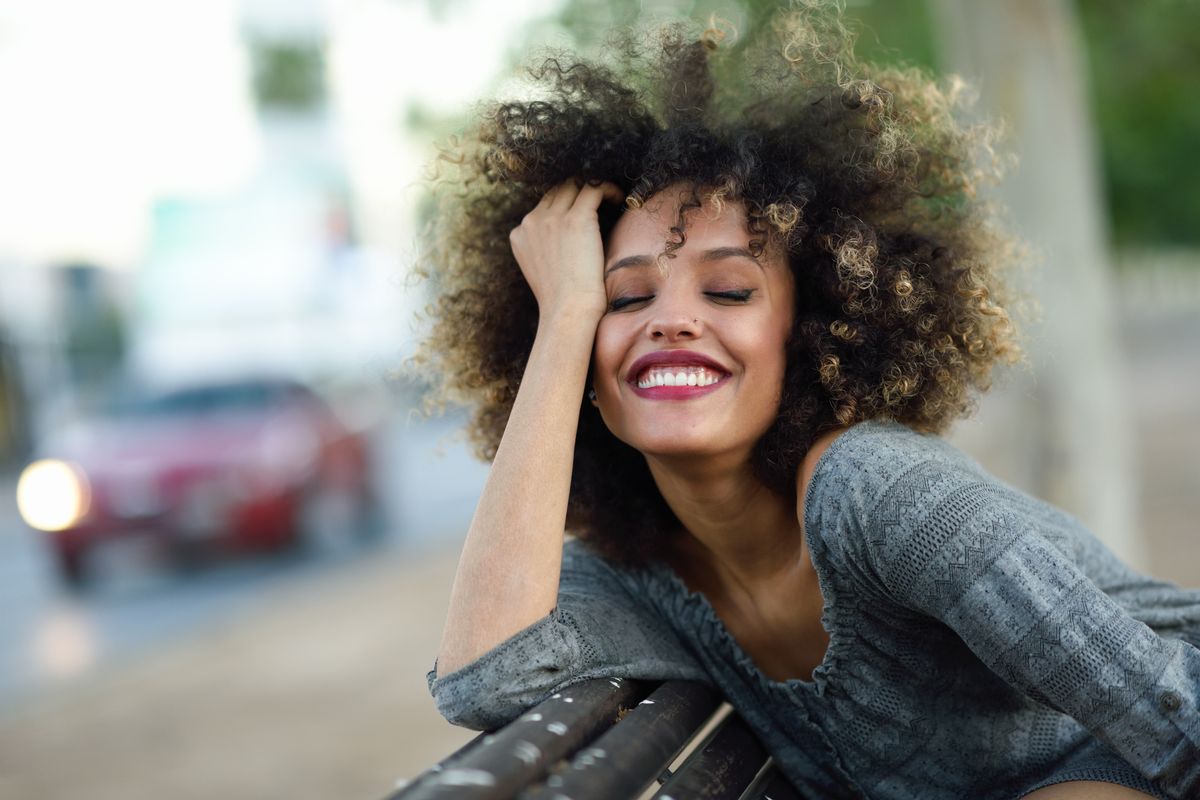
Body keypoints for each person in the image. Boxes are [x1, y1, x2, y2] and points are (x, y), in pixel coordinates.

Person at [419, 3, 1200, 798]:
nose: (674, 320)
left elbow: (1177, 718)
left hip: (1114, 758)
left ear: (809, 331)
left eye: (728, 290)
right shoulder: (637, 572)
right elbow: (484, 680)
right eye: (622, 301)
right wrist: (563, 320)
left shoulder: (881, 496)